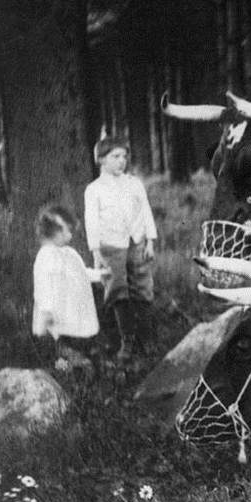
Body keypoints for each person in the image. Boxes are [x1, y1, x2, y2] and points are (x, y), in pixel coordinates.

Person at [84, 137, 158, 363]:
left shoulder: (133, 183)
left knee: (142, 286)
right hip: (110, 245)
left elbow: (145, 210)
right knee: (117, 290)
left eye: (124, 156)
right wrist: (95, 250)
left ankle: (147, 338)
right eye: (115, 157)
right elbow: (92, 221)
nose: (121, 161)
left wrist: (150, 240)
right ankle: (127, 340)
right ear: (101, 160)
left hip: (136, 241)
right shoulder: (94, 189)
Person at [32, 205, 108, 371]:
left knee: (83, 347)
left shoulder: (69, 253)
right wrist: (46, 313)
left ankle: (87, 366)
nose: (71, 235)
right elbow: (43, 287)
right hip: (58, 319)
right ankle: (69, 370)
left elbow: (81, 272)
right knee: (64, 356)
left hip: (76, 315)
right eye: (67, 230)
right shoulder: (45, 257)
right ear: (54, 232)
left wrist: (100, 275)